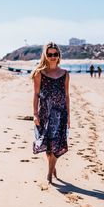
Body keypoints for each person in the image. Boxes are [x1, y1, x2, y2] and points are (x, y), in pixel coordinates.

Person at [31, 42, 70, 184]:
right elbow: (35, 95)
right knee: (48, 146)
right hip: (45, 114)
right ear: (45, 56)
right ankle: (52, 167)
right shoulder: (39, 73)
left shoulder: (65, 74)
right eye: (50, 54)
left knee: (56, 145)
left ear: (59, 56)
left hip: (60, 115)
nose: (53, 57)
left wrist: (69, 117)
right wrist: (35, 114)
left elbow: (66, 96)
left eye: (55, 54)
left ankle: (49, 175)